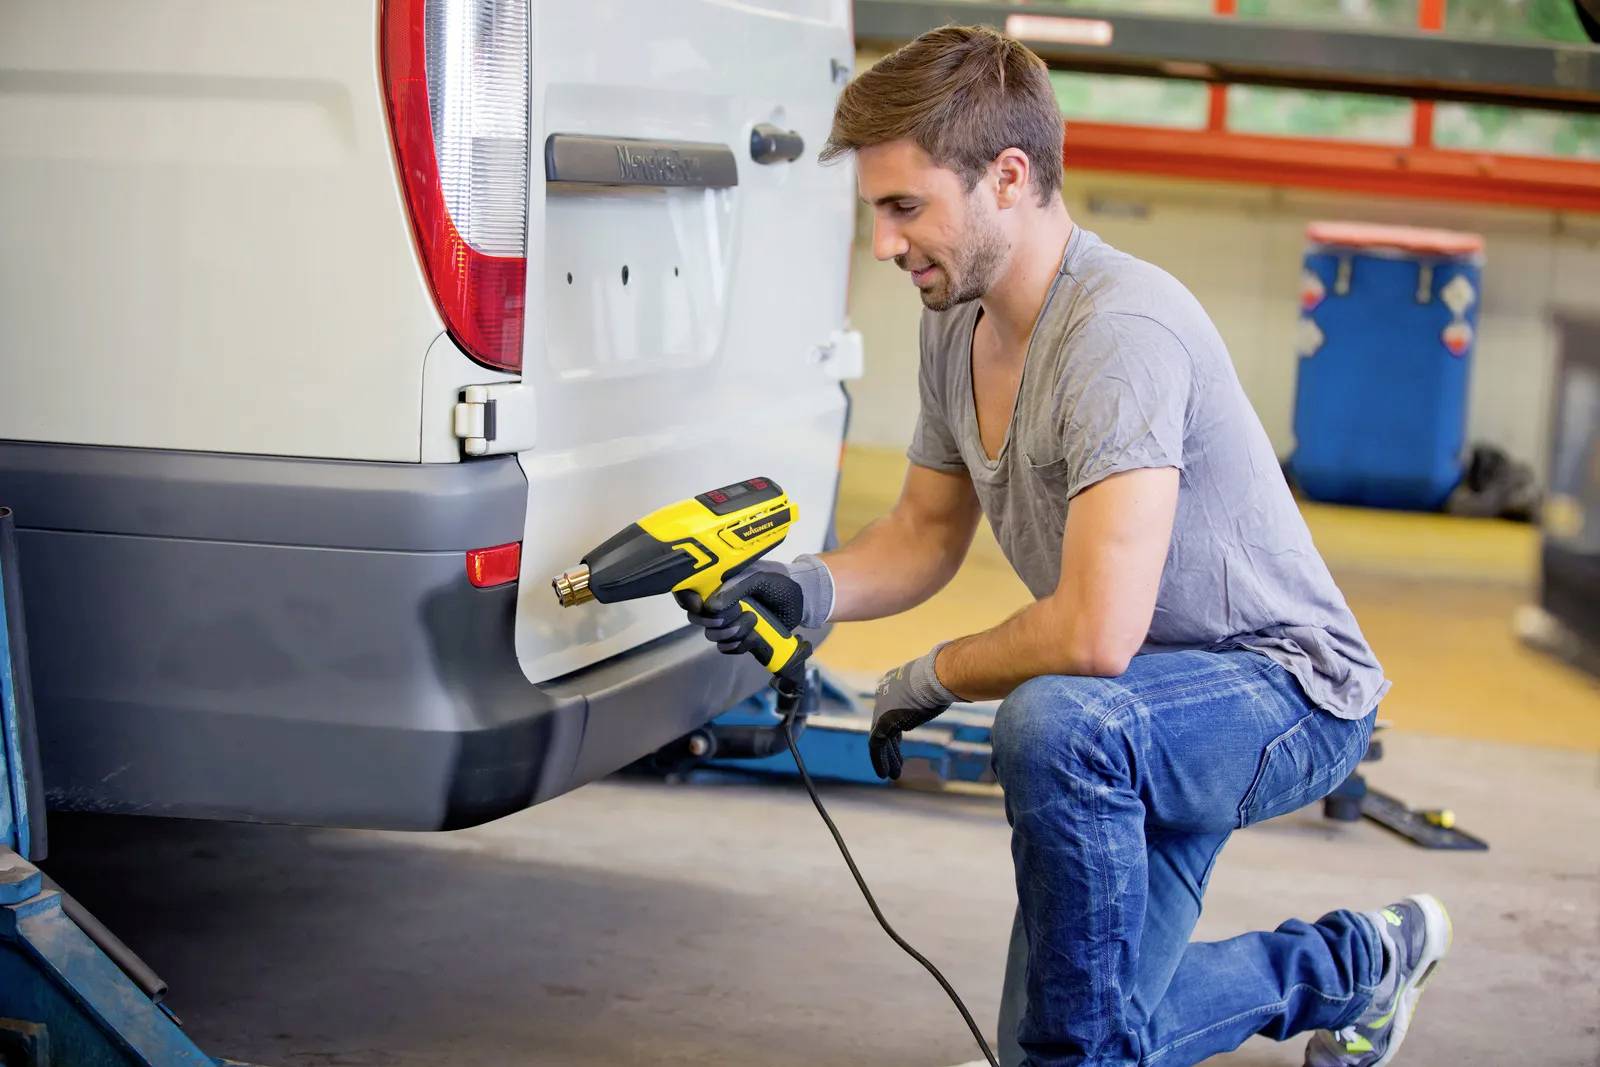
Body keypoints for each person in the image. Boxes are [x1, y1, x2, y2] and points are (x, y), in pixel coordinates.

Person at [684, 25, 1450, 1067]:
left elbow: (1092, 631)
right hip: (1137, 704)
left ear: (1007, 177)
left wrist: (930, 672)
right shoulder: (953, 317)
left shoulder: (1119, 333)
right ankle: (1359, 959)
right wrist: (805, 587)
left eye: (905, 207)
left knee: (1051, 721)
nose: (883, 244)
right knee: (1073, 1040)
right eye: (876, 211)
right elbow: (919, 533)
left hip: (1279, 691)